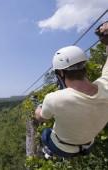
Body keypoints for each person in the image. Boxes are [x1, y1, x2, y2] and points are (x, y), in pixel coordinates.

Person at [35, 21, 108, 158]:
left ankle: (49, 152)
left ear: (61, 74)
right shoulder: (106, 87)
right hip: (88, 145)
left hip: (63, 148)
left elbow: (41, 118)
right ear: (85, 67)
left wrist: (39, 108)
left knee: (46, 133)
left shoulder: (54, 98)